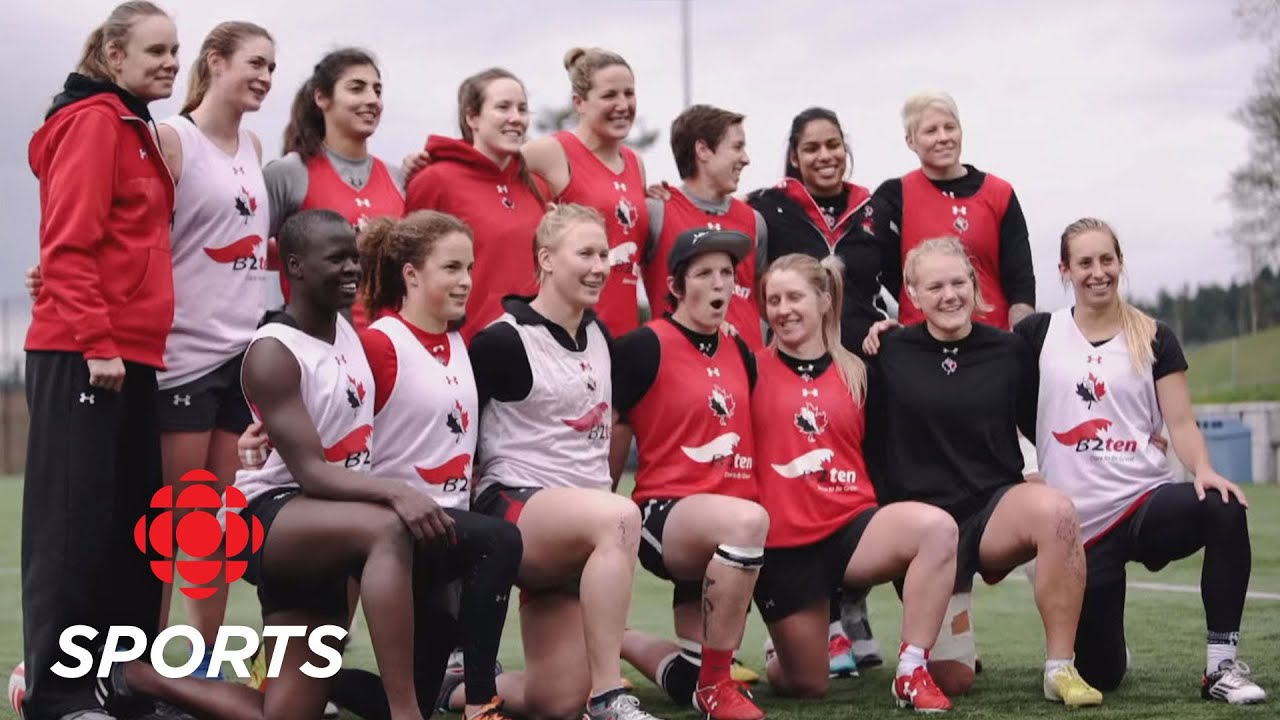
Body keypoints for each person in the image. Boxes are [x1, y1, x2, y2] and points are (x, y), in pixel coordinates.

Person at [96, 209, 441, 720]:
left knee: (283, 715)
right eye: (337, 259)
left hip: (325, 521)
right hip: (271, 519)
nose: (351, 269)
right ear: (295, 266)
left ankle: (136, 676)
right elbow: (310, 473)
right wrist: (396, 490)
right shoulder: (272, 351)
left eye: (355, 257)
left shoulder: (346, 330)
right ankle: (407, 712)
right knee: (389, 527)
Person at [1013, 217, 1266, 705]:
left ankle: (1221, 668)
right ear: (1065, 270)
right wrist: (1026, 468)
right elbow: (1003, 401)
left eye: (1107, 259)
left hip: (1143, 501)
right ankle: (1111, 646)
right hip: (1080, 529)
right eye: (1084, 262)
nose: (1097, 272)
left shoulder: (1153, 335)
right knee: (1103, 674)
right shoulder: (1037, 334)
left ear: (1120, 263)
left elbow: (1182, 422)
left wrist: (1204, 470)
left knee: (1223, 508)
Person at [861, 237, 1101, 706]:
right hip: (925, 527)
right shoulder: (888, 352)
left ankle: (1060, 667)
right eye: (934, 286)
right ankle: (945, 639)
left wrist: (1137, 435)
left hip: (992, 510)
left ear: (974, 285)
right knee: (953, 678)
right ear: (911, 294)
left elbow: (1046, 424)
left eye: (958, 282)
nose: (949, 295)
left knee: (1056, 511)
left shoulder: (1010, 351)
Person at [22, 4, 178, 718]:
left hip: (134, 355)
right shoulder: (93, 123)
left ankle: (123, 685)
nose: (170, 61)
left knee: (131, 531)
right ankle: (55, 696)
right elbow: (68, 245)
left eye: (176, 50)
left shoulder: (136, 127)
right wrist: (97, 342)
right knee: (72, 529)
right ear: (113, 56)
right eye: (155, 50)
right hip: (86, 353)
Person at [456, 204, 664, 720]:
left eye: (604, 255)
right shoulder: (503, 341)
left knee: (556, 702)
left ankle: (450, 689)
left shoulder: (598, 335)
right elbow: (454, 424)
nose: (600, 267)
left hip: (577, 529)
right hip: (514, 507)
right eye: (585, 254)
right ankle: (611, 696)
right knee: (619, 514)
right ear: (546, 260)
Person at [750, 253, 956, 712]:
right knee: (806, 684)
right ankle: (779, 648)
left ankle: (911, 670)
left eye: (795, 297)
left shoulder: (859, 370)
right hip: (785, 547)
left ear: (824, 299)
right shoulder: (751, 370)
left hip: (851, 530)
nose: (783, 309)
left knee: (936, 528)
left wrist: (897, 331)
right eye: (773, 300)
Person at [359, 211, 524, 720]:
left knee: (414, 700)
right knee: (502, 538)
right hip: (397, 531)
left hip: (447, 535)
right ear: (411, 274)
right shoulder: (379, 344)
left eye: (469, 267)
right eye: (451, 267)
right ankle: (481, 701)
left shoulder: (459, 343)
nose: (466, 281)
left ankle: (308, 686)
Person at [744, 107, 884, 674]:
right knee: (801, 477)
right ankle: (813, 624)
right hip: (793, 363)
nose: (824, 156)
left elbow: (900, 278)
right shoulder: (767, 206)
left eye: (833, 145)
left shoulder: (877, 207)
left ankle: (854, 610)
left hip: (856, 363)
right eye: (811, 148)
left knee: (856, 479)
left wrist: (892, 324)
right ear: (794, 156)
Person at [611, 229, 768, 720]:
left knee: (689, 681)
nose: (719, 283)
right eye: (704, 274)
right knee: (747, 523)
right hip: (666, 517)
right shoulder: (642, 346)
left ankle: (624, 641)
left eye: (727, 273)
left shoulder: (739, 350)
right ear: (676, 286)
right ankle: (718, 685)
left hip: (726, 529)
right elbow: (612, 434)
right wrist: (602, 514)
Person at [265, 47, 408, 329]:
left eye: (377, 91)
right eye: (357, 89)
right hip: (319, 345)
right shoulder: (289, 173)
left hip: (389, 346)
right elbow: (249, 253)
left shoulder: (398, 177)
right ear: (321, 97)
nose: (372, 100)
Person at [869, 91, 1034, 331]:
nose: (943, 137)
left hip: (991, 338)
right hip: (922, 342)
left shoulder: (999, 193)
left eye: (950, 127)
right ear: (911, 141)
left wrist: (1022, 337)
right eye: (931, 131)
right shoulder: (894, 195)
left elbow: (1020, 279)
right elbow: (880, 268)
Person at [404, 67, 546, 341]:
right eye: (503, 107)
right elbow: (408, 276)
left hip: (537, 354)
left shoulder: (536, 187)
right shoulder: (435, 180)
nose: (516, 118)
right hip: (467, 349)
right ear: (472, 117)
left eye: (522, 109)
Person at [522, 48, 649, 338]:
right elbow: (487, 166)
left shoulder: (635, 163)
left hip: (624, 331)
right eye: (609, 96)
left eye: (629, 94)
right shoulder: (553, 152)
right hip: (569, 333)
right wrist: (425, 161)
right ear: (579, 102)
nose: (623, 105)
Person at [640, 105, 767, 349]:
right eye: (737, 147)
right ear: (703, 150)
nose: (746, 159)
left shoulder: (755, 221)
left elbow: (763, 305)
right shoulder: (657, 210)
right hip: (679, 371)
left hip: (747, 377)